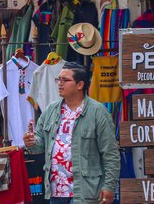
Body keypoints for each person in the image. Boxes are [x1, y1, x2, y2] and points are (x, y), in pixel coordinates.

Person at [23, 62, 119, 204]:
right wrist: (31, 141)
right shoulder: (51, 110)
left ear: (80, 85)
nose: (60, 84)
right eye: (59, 79)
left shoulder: (98, 113)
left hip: (86, 192)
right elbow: (40, 144)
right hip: (56, 192)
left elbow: (111, 154)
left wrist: (109, 186)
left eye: (65, 80)